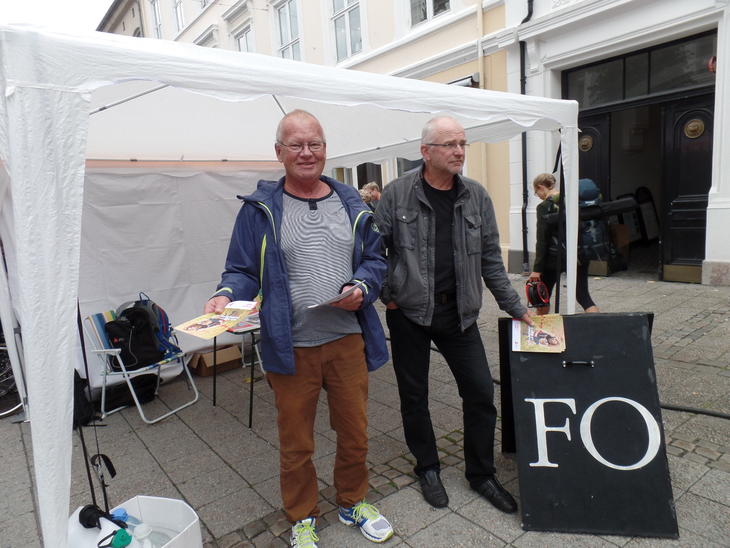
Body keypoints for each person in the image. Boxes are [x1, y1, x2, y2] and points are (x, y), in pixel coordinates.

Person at [205, 110, 394, 547]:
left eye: (315, 144)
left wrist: (364, 286)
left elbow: (375, 260)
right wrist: (224, 292)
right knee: (296, 444)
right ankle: (303, 515)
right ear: (279, 152)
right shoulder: (260, 210)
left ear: (326, 149)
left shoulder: (351, 202)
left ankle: (352, 501)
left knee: (355, 432)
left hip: (346, 338)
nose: (306, 152)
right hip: (291, 345)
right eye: (296, 145)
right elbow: (241, 268)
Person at [374, 116, 533, 514]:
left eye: (462, 142)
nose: (459, 150)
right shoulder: (395, 195)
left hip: (459, 314)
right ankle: (427, 467)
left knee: (481, 392)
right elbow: (372, 253)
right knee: (415, 396)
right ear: (426, 151)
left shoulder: (476, 197)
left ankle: (480, 473)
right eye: (449, 144)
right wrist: (388, 295)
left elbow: (492, 261)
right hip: (409, 313)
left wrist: (516, 308)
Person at [528, 173, 599, 314]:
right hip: (578, 253)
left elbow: (542, 240)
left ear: (541, 187)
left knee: (543, 296)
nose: (539, 196)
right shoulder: (573, 201)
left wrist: (537, 269)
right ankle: (600, 328)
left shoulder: (544, 206)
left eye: (537, 193)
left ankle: (541, 332)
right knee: (583, 296)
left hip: (553, 258)